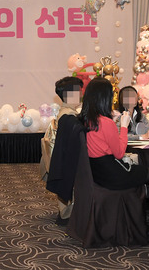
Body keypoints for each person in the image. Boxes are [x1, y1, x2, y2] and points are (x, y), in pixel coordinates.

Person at [80, 77, 149, 236]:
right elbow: (118, 153)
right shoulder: (106, 122)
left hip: (97, 173)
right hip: (113, 175)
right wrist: (123, 126)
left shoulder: (86, 120)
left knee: (144, 171)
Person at [45, 76, 84, 224]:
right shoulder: (68, 117)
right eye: (79, 91)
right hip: (68, 164)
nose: (81, 94)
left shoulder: (66, 113)